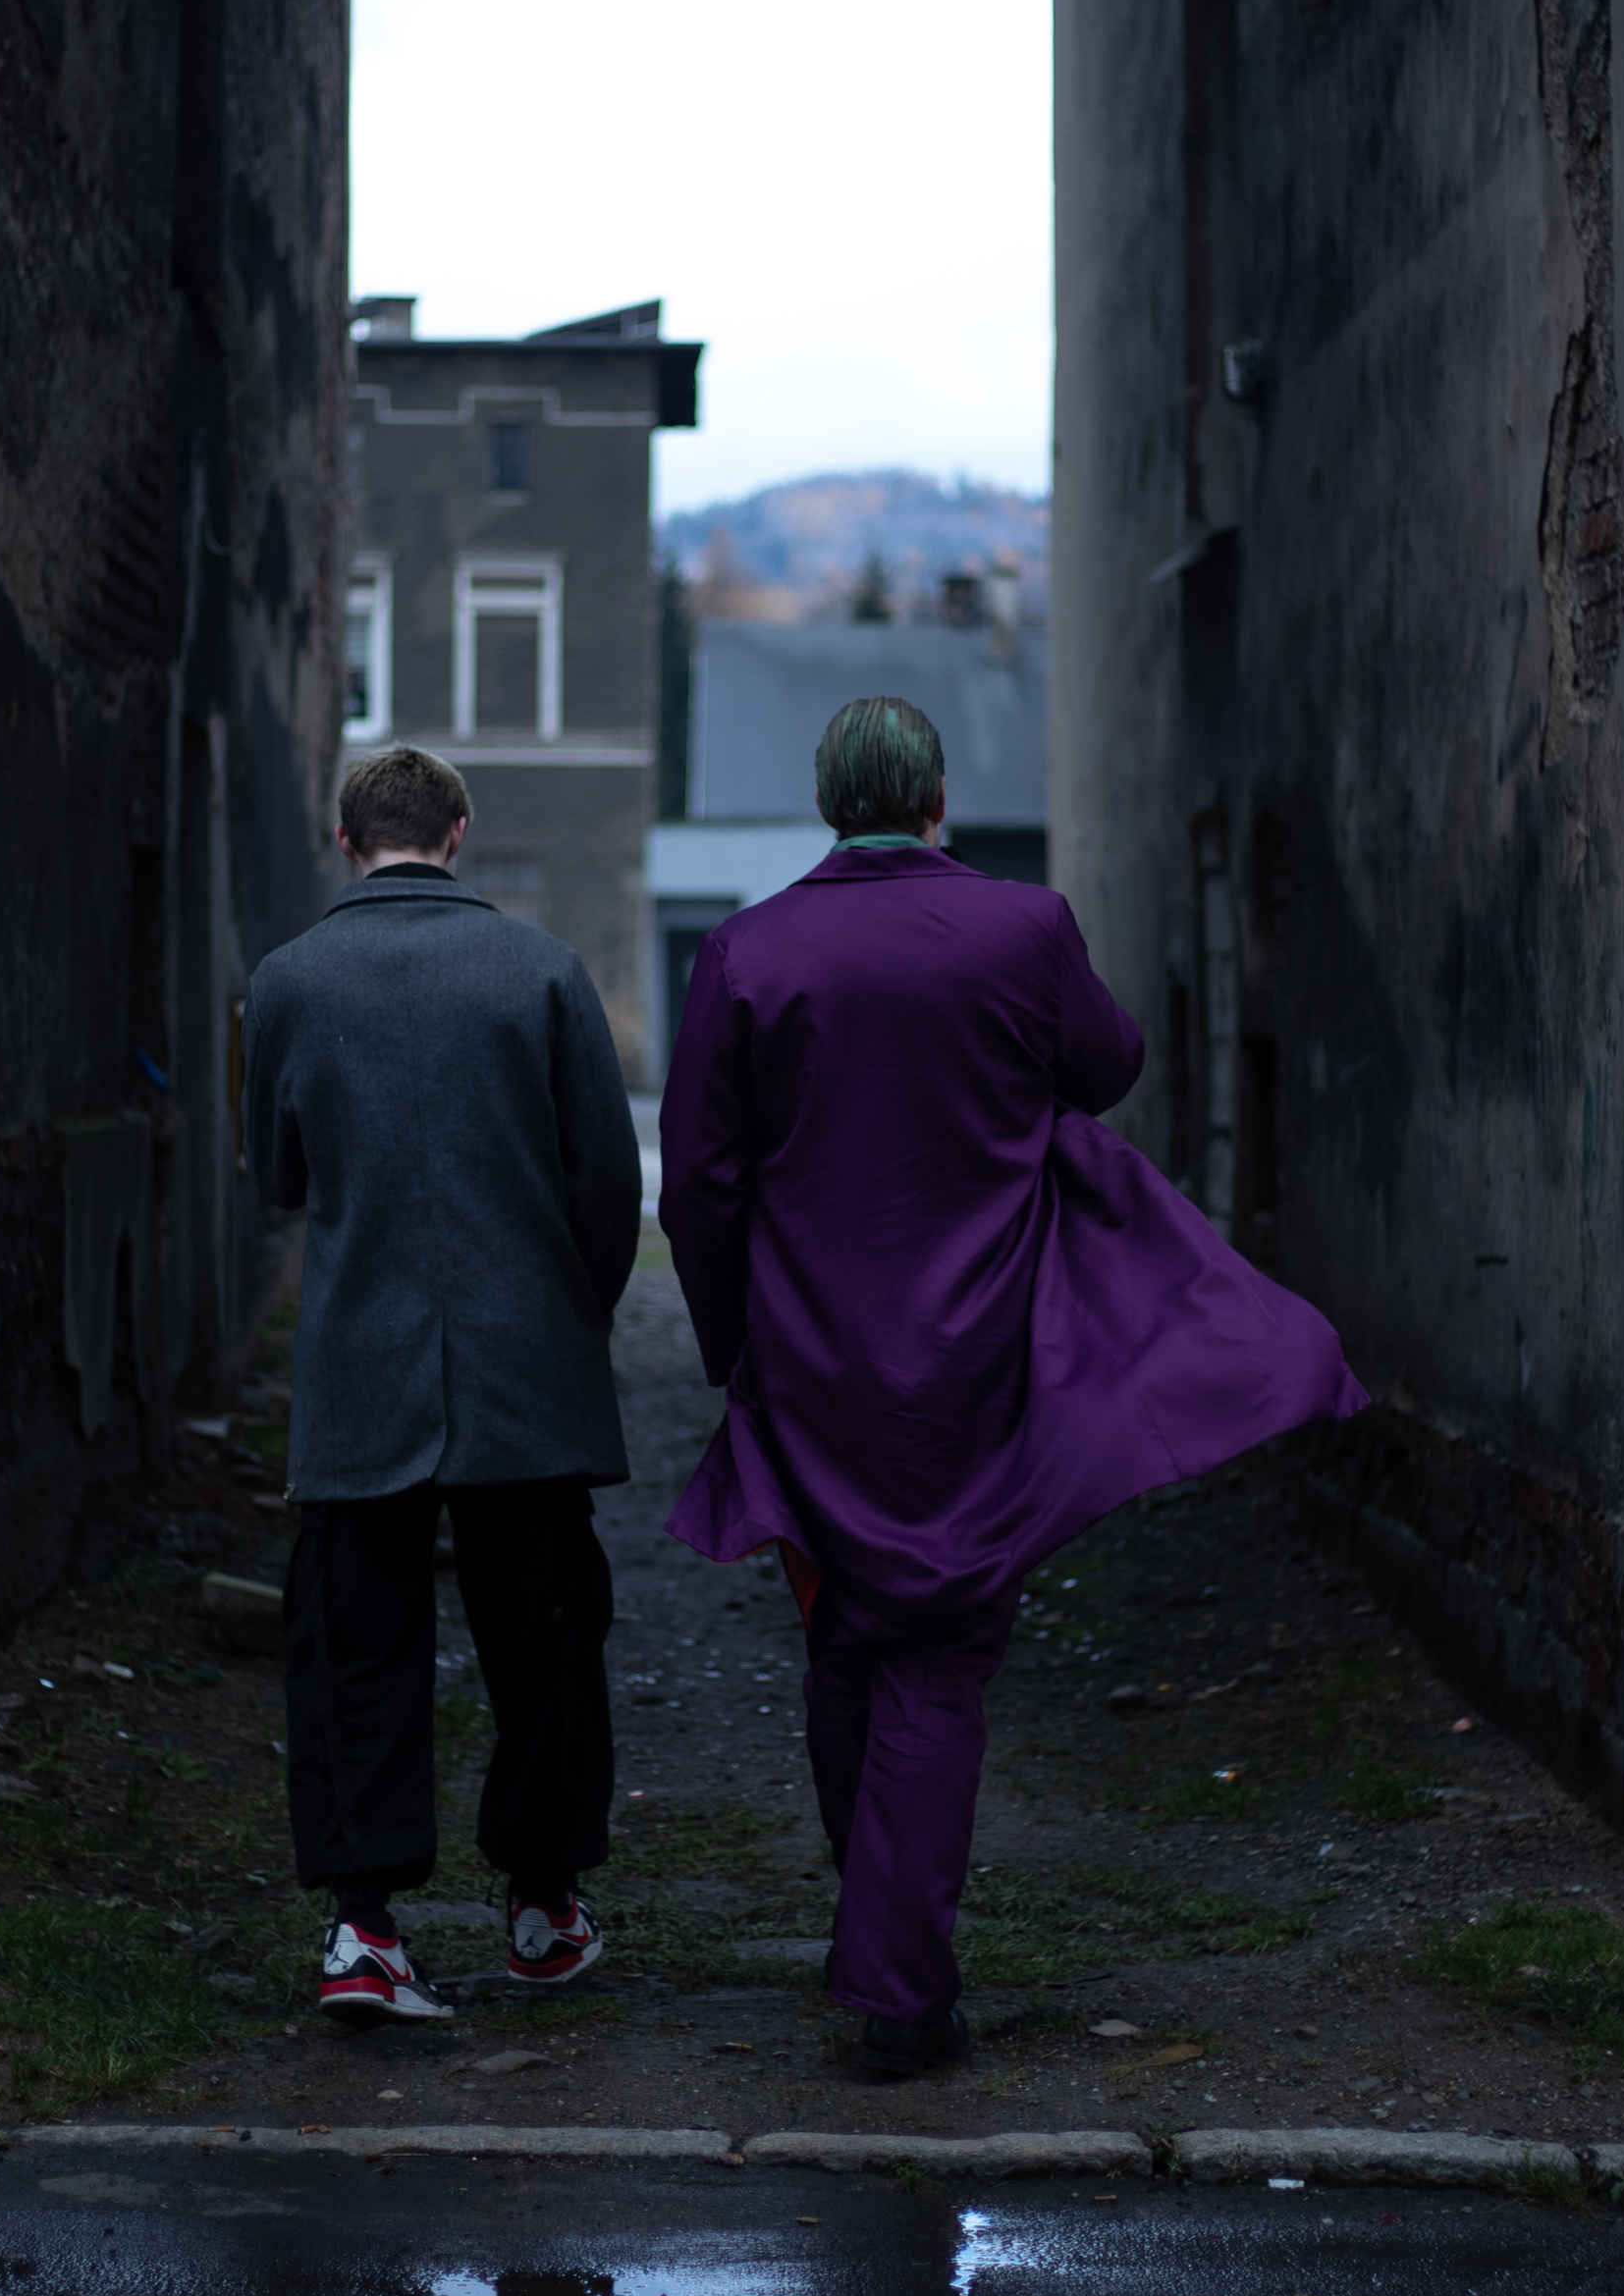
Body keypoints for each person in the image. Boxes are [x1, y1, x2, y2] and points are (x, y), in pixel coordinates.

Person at [660, 698, 1368, 2075]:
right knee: (938, 1648)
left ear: (829, 804)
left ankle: (879, 1933)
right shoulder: (1025, 928)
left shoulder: (747, 950)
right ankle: (899, 1992)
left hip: (811, 1358)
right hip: (980, 1352)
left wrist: (733, 1348)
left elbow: (699, 1181)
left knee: (846, 1636)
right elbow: (1107, 1066)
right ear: (937, 803)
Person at [244, 744, 640, 2027]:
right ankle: (542, 1906)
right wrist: (574, 1315)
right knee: (547, 1640)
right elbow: (606, 1183)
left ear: (345, 838)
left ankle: (364, 1928)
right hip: (526, 1365)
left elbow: (277, 1175)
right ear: (459, 832)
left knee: (354, 1644)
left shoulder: (289, 979)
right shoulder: (545, 970)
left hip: (361, 1367)